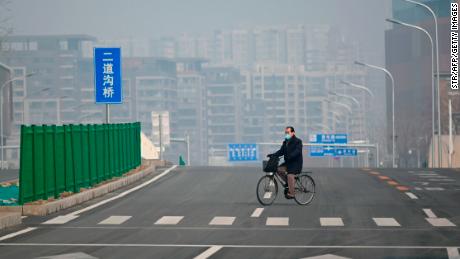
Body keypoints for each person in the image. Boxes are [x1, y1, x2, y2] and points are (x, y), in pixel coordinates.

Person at [268, 126, 303, 199]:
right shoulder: (285, 142)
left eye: (288, 132)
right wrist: (273, 155)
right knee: (278, 169)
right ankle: (289, 183)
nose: (286, 134)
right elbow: (281, 151)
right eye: (285, 132)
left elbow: (298, 151)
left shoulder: (298, 141)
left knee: (290, 175)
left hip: (296, 163)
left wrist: (291, 155)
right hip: (288, 163)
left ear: (293, 133)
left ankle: (292, 193)